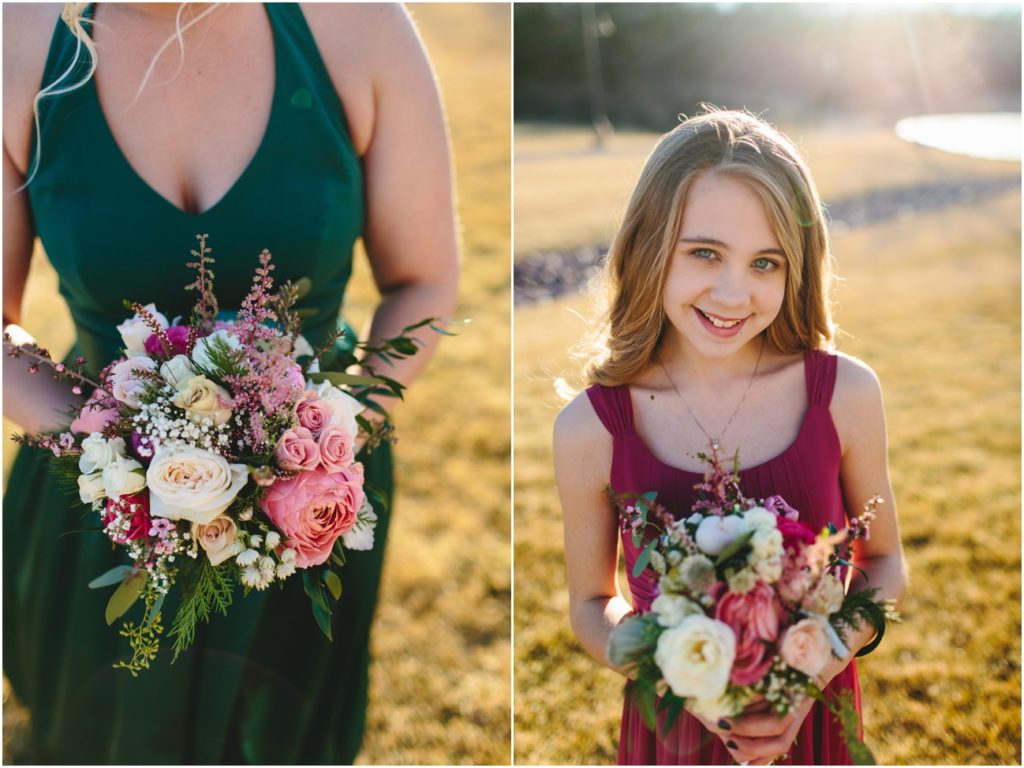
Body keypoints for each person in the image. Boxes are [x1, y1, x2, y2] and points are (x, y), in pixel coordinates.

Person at [3, 2, 458, 763]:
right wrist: (120, 457)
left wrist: (315, 442)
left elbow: (425, 284)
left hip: (308, 509)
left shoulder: (358, 24)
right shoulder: (20, 35)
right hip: (96, 511)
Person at [553, 108, 908, 766]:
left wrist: (812, 669)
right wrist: (669, 665)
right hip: (675, 738)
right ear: (649, 247)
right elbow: (589, 603)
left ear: (796, 269)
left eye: (766, 263)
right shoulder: (590, 428)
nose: (732, 292)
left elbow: (884, 565)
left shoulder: (845, 395)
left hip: (813, 728)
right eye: (705, 253)